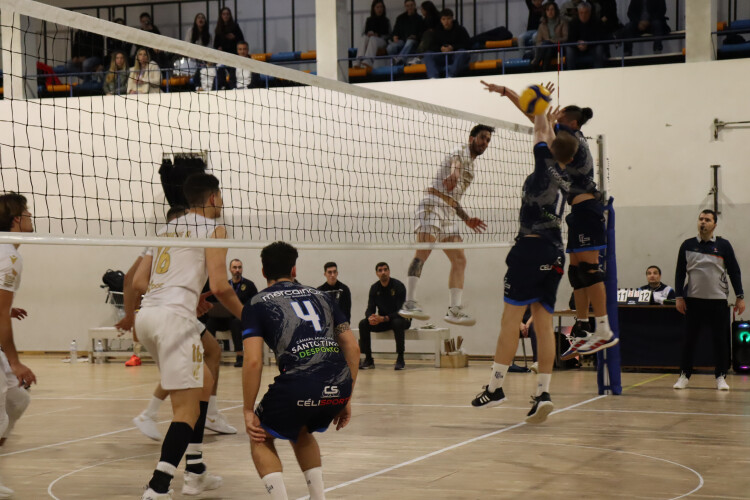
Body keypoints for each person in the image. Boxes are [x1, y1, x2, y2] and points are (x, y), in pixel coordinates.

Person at [481, 81, 616, 359]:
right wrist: (517, 99)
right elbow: (539, 123)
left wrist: (527, 103)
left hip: (588, 209)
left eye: (561, 113)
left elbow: (537, 122)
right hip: (578, 213)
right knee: (578, 273)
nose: (557, 115)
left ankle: (603, 328)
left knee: (590, 271)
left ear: (571, 121)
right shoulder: (566, 137)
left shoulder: (573, 137)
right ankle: (581, 328)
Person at [133, 174, 244, 499]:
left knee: (204, 383)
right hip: (173, 321)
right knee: (186, 410)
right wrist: (249, 318)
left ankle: (195, 470)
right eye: (220, 196)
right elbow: (221, 286)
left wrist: (186, 295)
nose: (222, 202)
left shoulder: (165, 229)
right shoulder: (215, 229)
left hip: (148, 317)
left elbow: (140, 281)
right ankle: (158, 487)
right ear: (212, 198)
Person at [469, 93, 577, 426]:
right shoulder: (568, 175)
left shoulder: (544, 165)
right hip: (556, 252)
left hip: (530, 250)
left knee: (509, 321)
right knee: (543, 326)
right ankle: (543, 393)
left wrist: (540, 106)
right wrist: (547, 118)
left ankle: (496, 387)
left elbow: (539, 128)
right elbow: (544, 129)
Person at [241, 242, 359, 500]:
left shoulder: (256, 303)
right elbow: (352, 346)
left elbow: (252, 362)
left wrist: (248, 409)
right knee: (301, 429)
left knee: (259, 434)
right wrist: (346, 394)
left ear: (263, 271)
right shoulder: (323, 296)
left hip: (299, 382)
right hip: (338, 383)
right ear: (294, 269)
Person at [120, 207, 236, 441]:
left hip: (160, 311)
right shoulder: (185, 234)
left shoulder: (161, 238)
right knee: (192, 368)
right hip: (170, 312)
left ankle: (195, 440)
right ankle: (164, 422)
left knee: (205, 356)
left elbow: (138, 281)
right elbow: (134, 280)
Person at [398, 125, 492, 326]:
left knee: (460, 259)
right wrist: (454, 174)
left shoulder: (472, 170)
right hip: (432, 206)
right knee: (423, 252)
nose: (485, 143)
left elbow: (454, 198)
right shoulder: (459, 152)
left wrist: (466, 219)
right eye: (482, 138)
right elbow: (455, 165)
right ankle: (409, 302)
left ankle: (454, 310)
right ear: (471, 138)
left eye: (488, 140)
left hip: (448, 213)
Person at [673, 210, 744, 391]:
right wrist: (679, 297)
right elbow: (680, 273)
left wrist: (740, 297)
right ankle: (684, 375)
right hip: (694, 302)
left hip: (718, 302)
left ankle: (720, 376)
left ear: (714, 225)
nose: (703, 222)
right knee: (689, 340)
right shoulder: (687, 245)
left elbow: (734, 271)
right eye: (700, 219)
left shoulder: (723, 245)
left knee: (720, 340)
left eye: (707, 220)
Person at [0, 193, 37, 498]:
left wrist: (6, 308)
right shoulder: (9, 254)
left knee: (17, 401)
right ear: (16, 219)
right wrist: (15, 361)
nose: (29, 216)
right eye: (26, 212)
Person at [359, 262, 410, 370]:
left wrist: (384, 318)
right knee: (363, 324)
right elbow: (370, 308)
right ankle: (368, 359)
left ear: (389, 271)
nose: (383, 272)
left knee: (397, 322)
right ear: (377, 273)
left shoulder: (398, 286)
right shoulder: (374, 288)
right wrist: (371, 317)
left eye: (385, 269)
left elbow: (401, 311)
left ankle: (400, 358)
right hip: (384, 320)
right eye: (380, 270)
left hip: (401, 319)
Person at [210, 259, 257, 367]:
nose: (237, 270)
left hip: (241, 319)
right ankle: (211, 353)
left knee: (235, 323)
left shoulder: (249, 285)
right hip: (225, 319)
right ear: (230, 269)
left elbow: (255, 303)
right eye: (235, 268)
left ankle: (239, 355)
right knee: (210, 322)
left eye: (239, 267)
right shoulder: (225, 285)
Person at [424, 9, 471, 79]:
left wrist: (453, 48)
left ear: (452, 19)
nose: (446, 22)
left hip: (455, 56)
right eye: (443, 19)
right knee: (428, 54)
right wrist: (441, 48)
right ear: (441, 20)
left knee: (462, 52)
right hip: (442, 56)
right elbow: (431, 46)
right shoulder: (437, 31)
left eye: (448, 19)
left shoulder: (460, 29)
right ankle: (433, 77)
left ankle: (450, 76)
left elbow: (468, 44)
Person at [565, 1, 607, 70]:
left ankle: (599, 71)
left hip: (591, 48)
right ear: (578, 13)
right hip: (577, 49)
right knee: (569, 49)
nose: (583, 15)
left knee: (599, 48)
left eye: (586, 12)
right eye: (581, 13)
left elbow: (600, 38)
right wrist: (578, 44)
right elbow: (570, 40)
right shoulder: (573, 23)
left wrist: (587, 44)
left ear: (590, 12)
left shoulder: (596, 22)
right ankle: (571, 73)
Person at [353, 0, 391, 69]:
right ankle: (358, 60)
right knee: (364, 38)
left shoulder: (386, 20)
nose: (380, 9)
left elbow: (389, 35)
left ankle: (368, 60)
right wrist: (368, 34)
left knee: (373, 39)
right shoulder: (369, 20)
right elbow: (364, 33)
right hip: (370, 39)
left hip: (381, 40)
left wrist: (378, 35)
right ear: (374, 9)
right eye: (377, 7)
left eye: (381, 7)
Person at [533, 1, 569, 72]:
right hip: (546, 50)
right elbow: (538, 41)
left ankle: (536, 63)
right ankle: (545, 70)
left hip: (559, 48)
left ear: (556, 11)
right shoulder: (542, 25)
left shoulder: (562, 22)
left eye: (552, 9)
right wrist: (546, 43)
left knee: (548, 44)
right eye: (548, 10)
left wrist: (553, 41)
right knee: (548, 48)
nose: (550, 12)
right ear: (545, 12)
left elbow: (566, 37)